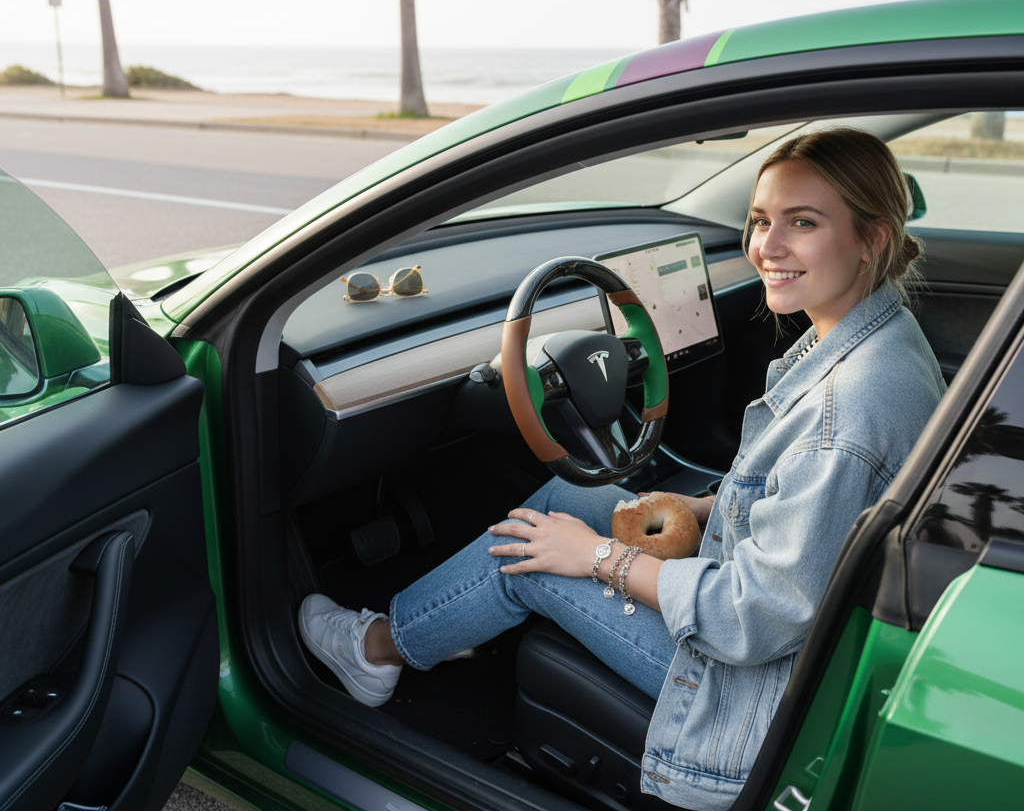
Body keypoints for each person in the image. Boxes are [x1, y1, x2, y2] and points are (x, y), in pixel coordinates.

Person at [298, 127, 946, 811]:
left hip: (753, 691)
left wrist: (597, 558)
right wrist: (703, 509)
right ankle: (426, 630)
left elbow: (751, 618)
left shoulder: (844, 417)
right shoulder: (882, 341)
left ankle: (374, 652)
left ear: (872, 238)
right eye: (760, 220)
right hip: (811, 638)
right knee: (567, 497)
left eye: (803, 223)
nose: (767, 247)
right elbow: (810, 514)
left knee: (531, 558)